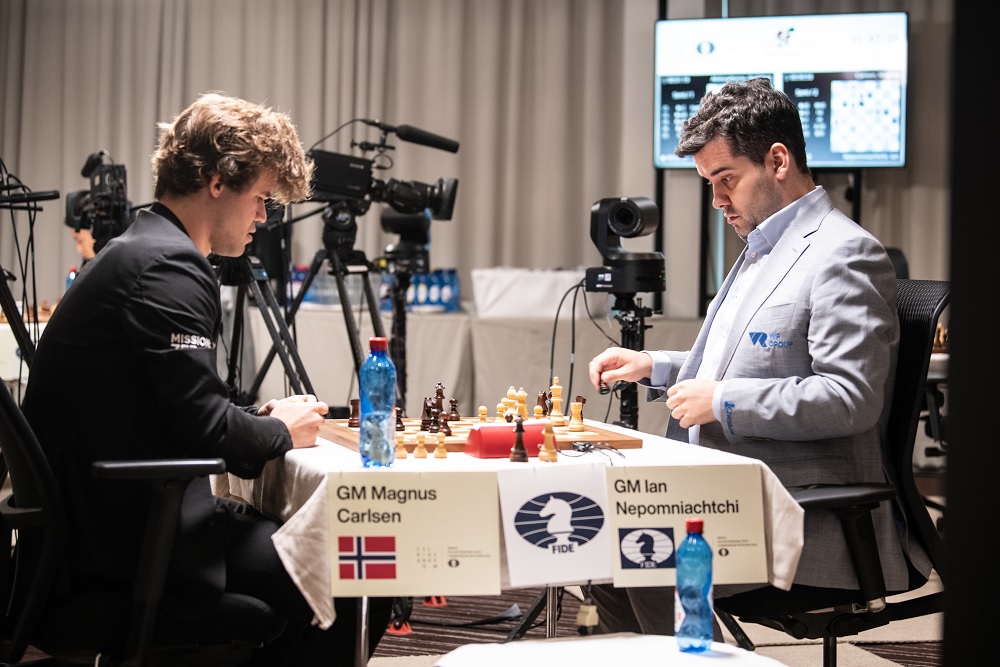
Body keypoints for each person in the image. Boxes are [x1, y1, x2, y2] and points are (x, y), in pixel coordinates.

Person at [22, 92, 392, 664]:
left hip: (108, 525)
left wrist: (255, 420)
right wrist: (281, 432)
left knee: (316, 553)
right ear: (218, 181)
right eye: (262, 198)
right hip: (132, 544)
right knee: (358, 569)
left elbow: (173, 405)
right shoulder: (169, 266)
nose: (264, 218)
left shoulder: (138, 251)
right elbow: (205, 431)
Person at [586, 77, 931, 634]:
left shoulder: (845, 254)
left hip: (805, 514)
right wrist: (658, 366)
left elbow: (850, 400)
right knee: (600, 549)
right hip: (729, 496)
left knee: (646, 559)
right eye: (709, 184)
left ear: (777, 160)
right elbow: (755, 361)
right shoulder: (762, 247)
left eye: (727, 180)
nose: (718, 200)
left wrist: (722, 401)